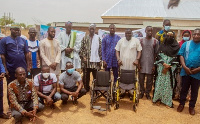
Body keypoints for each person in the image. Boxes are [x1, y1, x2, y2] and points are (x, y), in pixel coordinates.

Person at [153, 31, 180, 108]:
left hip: (170, 69)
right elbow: (158, 56)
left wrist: (169, 65)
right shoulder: (162, 45)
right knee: (159, 84)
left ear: (174, 37)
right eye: (167, 36)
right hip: (162, 68)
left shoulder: (176, 47)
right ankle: (158, 99)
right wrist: (164, 64)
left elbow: (177, 58)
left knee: (168, 85)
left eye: (171, 36)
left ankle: (167, 101)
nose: (169, 37)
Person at [177, 28, 200, 115]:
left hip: (197, 73)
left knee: (194, 90)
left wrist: (197, 70)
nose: (196, 36)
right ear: (192, 35)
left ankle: (191, 106)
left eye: (198, 34)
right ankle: (181, 104)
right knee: (184, 89)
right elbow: (181, 55)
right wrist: (184, 67)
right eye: (195, 34)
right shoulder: (186, 44)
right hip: (186, 70)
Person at [115, 28, 142, 100]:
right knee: (122, 77)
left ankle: (131, 93)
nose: (128, 34)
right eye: (126, 33)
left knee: (132, 78)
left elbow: (139, 51)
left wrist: (137, 59)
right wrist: (118, 59)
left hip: (132, 64)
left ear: (132, 34)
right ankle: (123, 92)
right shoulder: (121, 41)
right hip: (123, 63)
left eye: (129, 33)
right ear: (125, 34)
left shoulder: (136, 41)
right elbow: (117, 50)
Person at [139, 26, 159, 100]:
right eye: (148, 31)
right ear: (145, 31)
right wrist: (138, 63)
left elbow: (156, 54)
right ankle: (141, 92)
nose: (150, 32)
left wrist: (154, 65)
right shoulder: (141, 41)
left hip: (151, 63)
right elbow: (139, 52)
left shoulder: (155, 41)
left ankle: (147, 93)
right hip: (142, 63)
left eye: (151, 31)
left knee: (149, 80)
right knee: (141, 79)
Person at [79, 24, 101, 92]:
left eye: (93, 29)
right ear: (88, 30)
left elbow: (100, 49)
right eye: (90, 29)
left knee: (96, 77)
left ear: (95, 30)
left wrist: (100, 59)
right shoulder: (84, 38)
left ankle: (96, 89)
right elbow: (81, 49)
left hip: (95, 62)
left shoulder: (98, 38)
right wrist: (84, 57)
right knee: (86, 77)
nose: (92, 30)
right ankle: (86, 89)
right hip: (86, 62)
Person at [174, 30, 192, 100]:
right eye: (185, 36)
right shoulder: (179, 44)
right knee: (179, 81)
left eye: (187, 36)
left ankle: (187, 95)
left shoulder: (192, 44)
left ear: (190, 36)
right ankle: (177, 94)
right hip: (179, 65)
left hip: (189, 66)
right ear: (182, 36)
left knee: (188, 82)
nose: (186, 37)